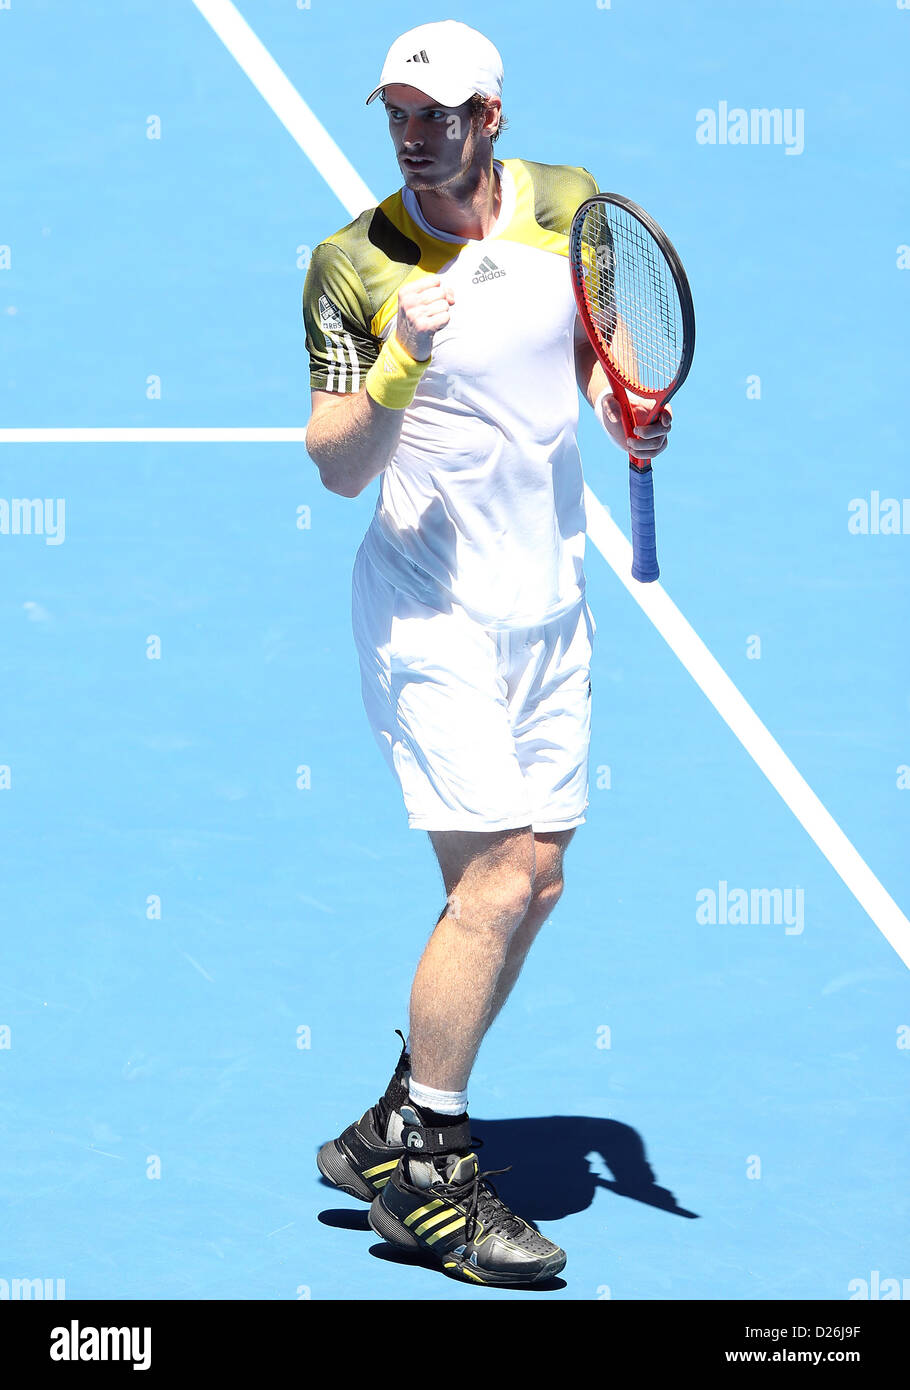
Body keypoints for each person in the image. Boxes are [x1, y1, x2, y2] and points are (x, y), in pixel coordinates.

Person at [304, 19, 672, 1287]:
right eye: (398, 115)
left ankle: (395, 1123)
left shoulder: (572, 211)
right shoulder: (351, 265)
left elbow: (605, 362)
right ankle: (432, 1184)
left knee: (542, 878)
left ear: (492, 117)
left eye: (440, 114)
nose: (415, 135)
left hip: (547, 600)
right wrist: (402, 353)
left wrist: (632, 408)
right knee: (495, 886)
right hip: (427, 609)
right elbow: (339, 464)